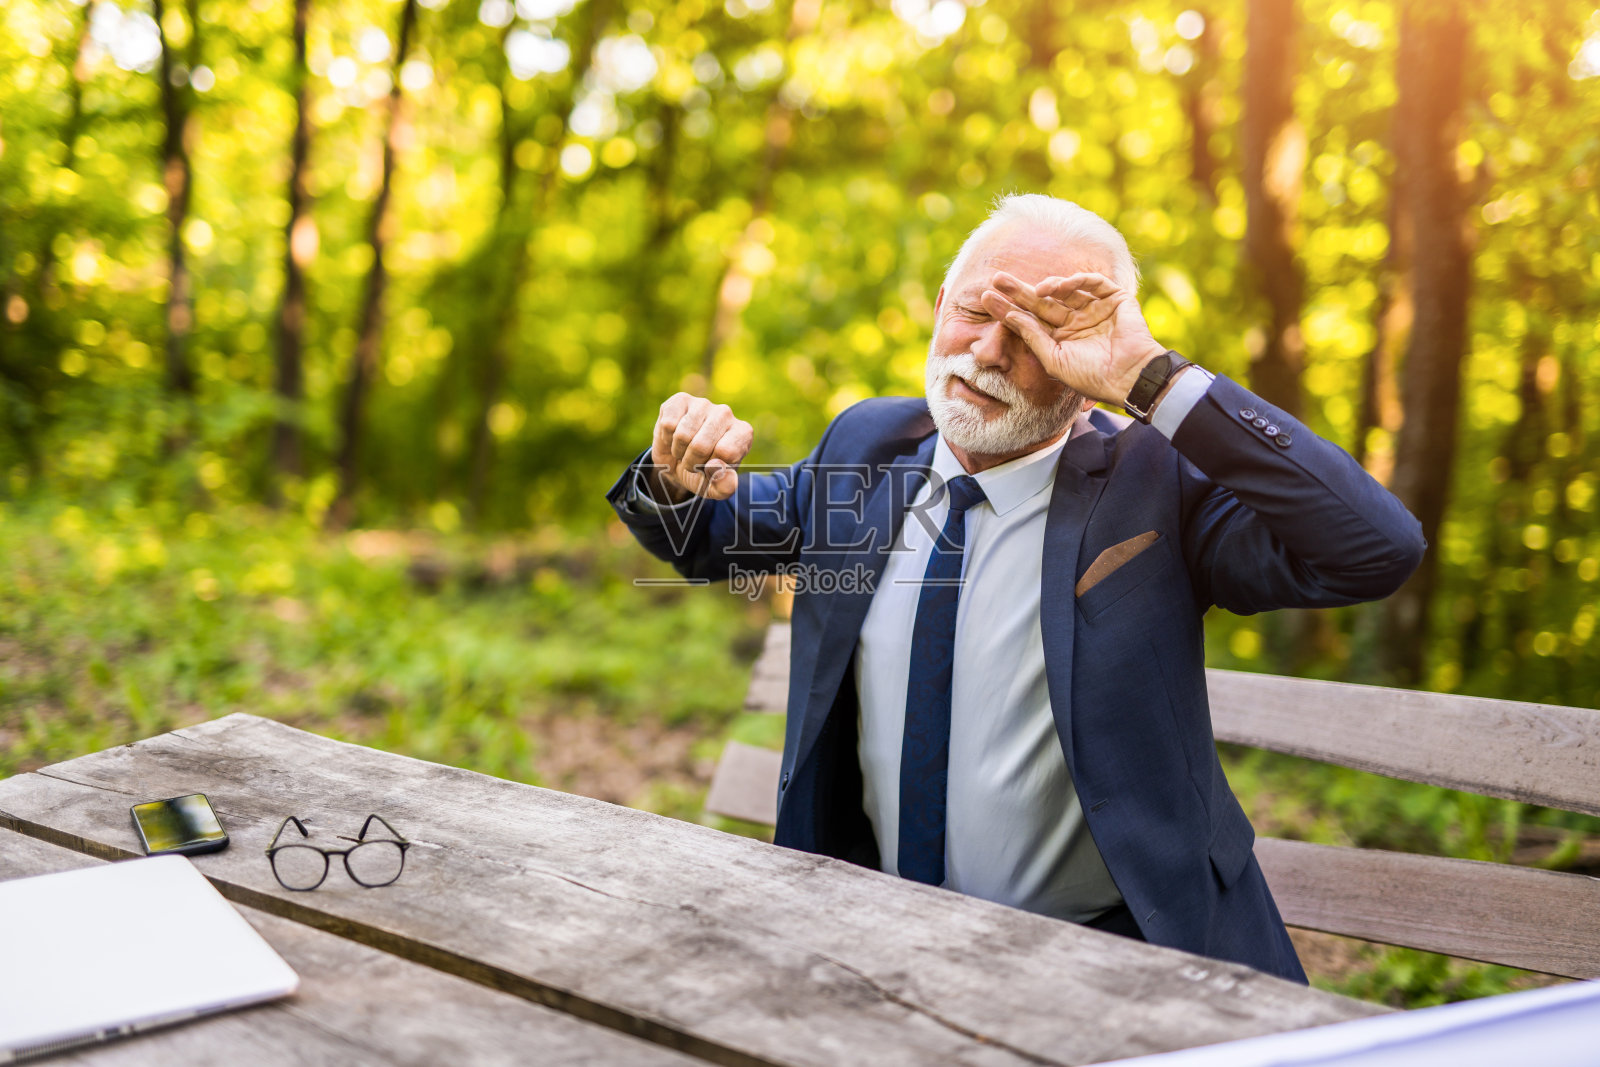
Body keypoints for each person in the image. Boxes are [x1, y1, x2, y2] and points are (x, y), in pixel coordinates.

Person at [607, 194, 1424, 983]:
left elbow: (1373, 548)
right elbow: (710, 536)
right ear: (938, 305)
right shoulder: (865, 445)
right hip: (871, 941)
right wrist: (675, 479)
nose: (990, 352)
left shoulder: (1153, 486)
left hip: (1124, 961)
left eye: (1038, 333)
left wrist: (1150, 378)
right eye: (976, 312)